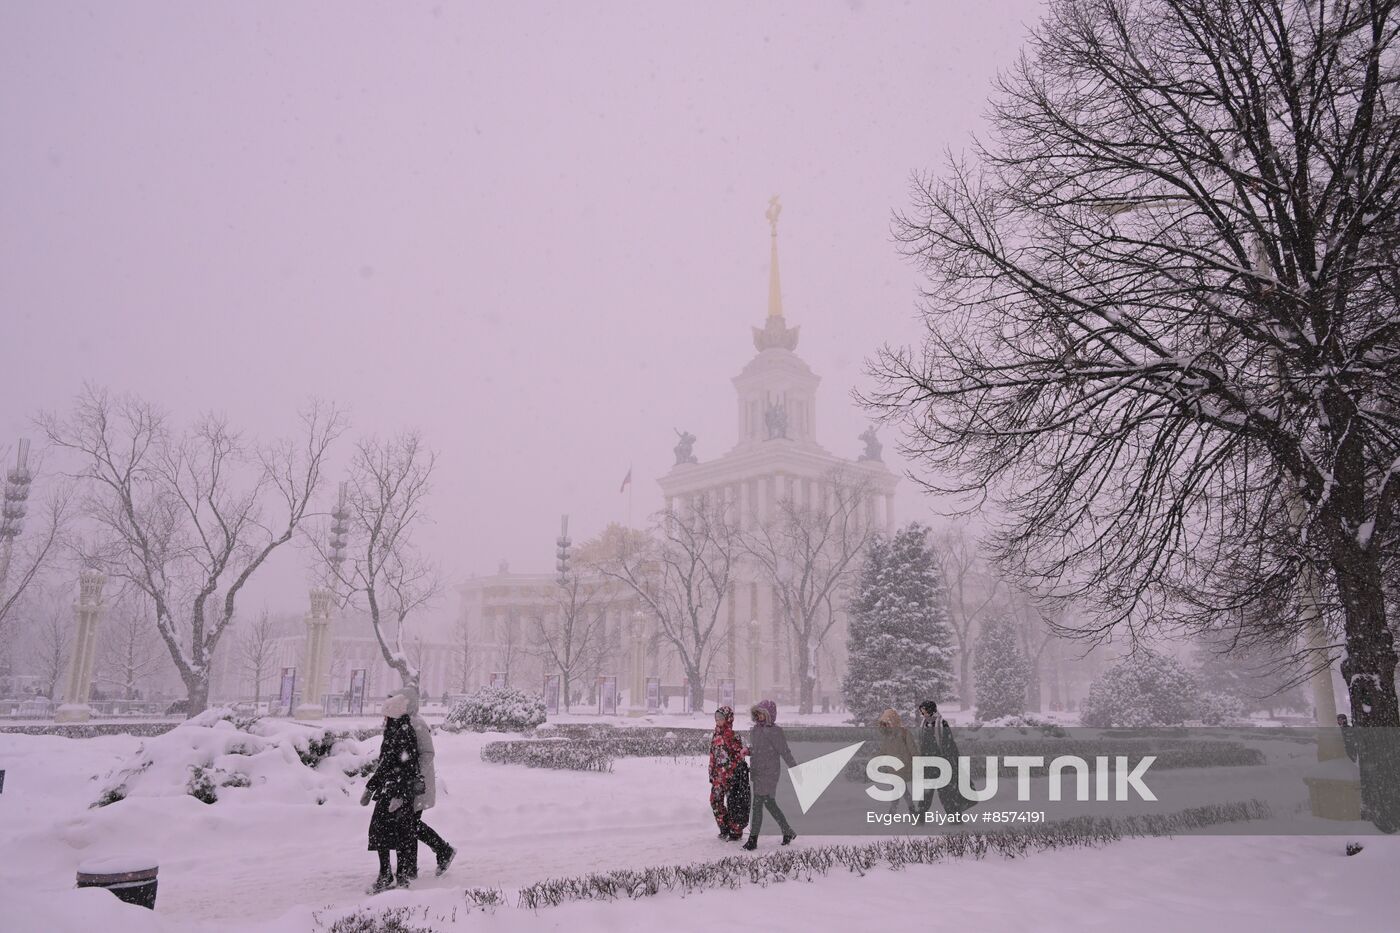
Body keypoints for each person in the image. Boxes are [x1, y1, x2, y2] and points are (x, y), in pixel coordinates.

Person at [390, 686, 457, 877]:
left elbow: (428, 753)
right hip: (411, 783)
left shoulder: (416, 722)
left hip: (417, 785)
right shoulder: (406, 721)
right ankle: (435, 854)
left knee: (409, 825)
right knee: (410, 825)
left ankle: (440, 852)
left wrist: (413, 772)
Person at [361, 692, 422, 892]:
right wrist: (371, 786)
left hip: (399, 791)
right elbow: (386, 763)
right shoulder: (394, 731)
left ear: (393, 714)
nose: (383, 719)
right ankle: (388, 874)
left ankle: (398, 877)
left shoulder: (403, 732)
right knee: (383, 832)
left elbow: (407, 766)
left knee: (399, 833)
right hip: (390, 788)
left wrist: (399, 795)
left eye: (386, 715)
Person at [742, 699, 797, 850]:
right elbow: (756, 749)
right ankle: (787, 831)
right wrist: (747, 751)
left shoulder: (775, 731)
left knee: (757, 805)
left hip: (770, 773)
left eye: (762, 713)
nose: (759, 716)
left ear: (769, 714)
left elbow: (784, 751)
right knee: (769, 803)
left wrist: (795, 768)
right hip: (758, 772)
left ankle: (753, 840)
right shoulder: (754, 731)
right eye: (757, 713)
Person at [915, 699, 969, 818]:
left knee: (945, 792)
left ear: (930, 710)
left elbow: (949, 744)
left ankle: (954, 816)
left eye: (924, 711)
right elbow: (922, 744)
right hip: (928, 763)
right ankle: (921, 816)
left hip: (942, 762)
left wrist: (954, 760)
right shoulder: (923, 724)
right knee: (927, 791)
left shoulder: (941, 723)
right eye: (921, 712)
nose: (922, 714)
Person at [708, 706, 750, 841]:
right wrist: (711, 771)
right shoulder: (715, 734)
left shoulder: (732, 736)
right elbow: (713, 755)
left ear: (728, 719)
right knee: (715, 801)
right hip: (717, 777)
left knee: (734, 804)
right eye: (716, 717)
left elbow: (739, 756)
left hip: (731, 777)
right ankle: (724, 827)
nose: (718, 720)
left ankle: (735, 830)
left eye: (721, 718)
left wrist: (730, 770)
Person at [876, 708, 919, 816]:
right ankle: (907, 809)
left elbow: (912, 749)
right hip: (895, 766)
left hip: (901, 766)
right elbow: (883, 750)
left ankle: (897, 810)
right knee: (898, 788)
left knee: (898, 787)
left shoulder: (901, 734)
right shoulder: (889, 735)